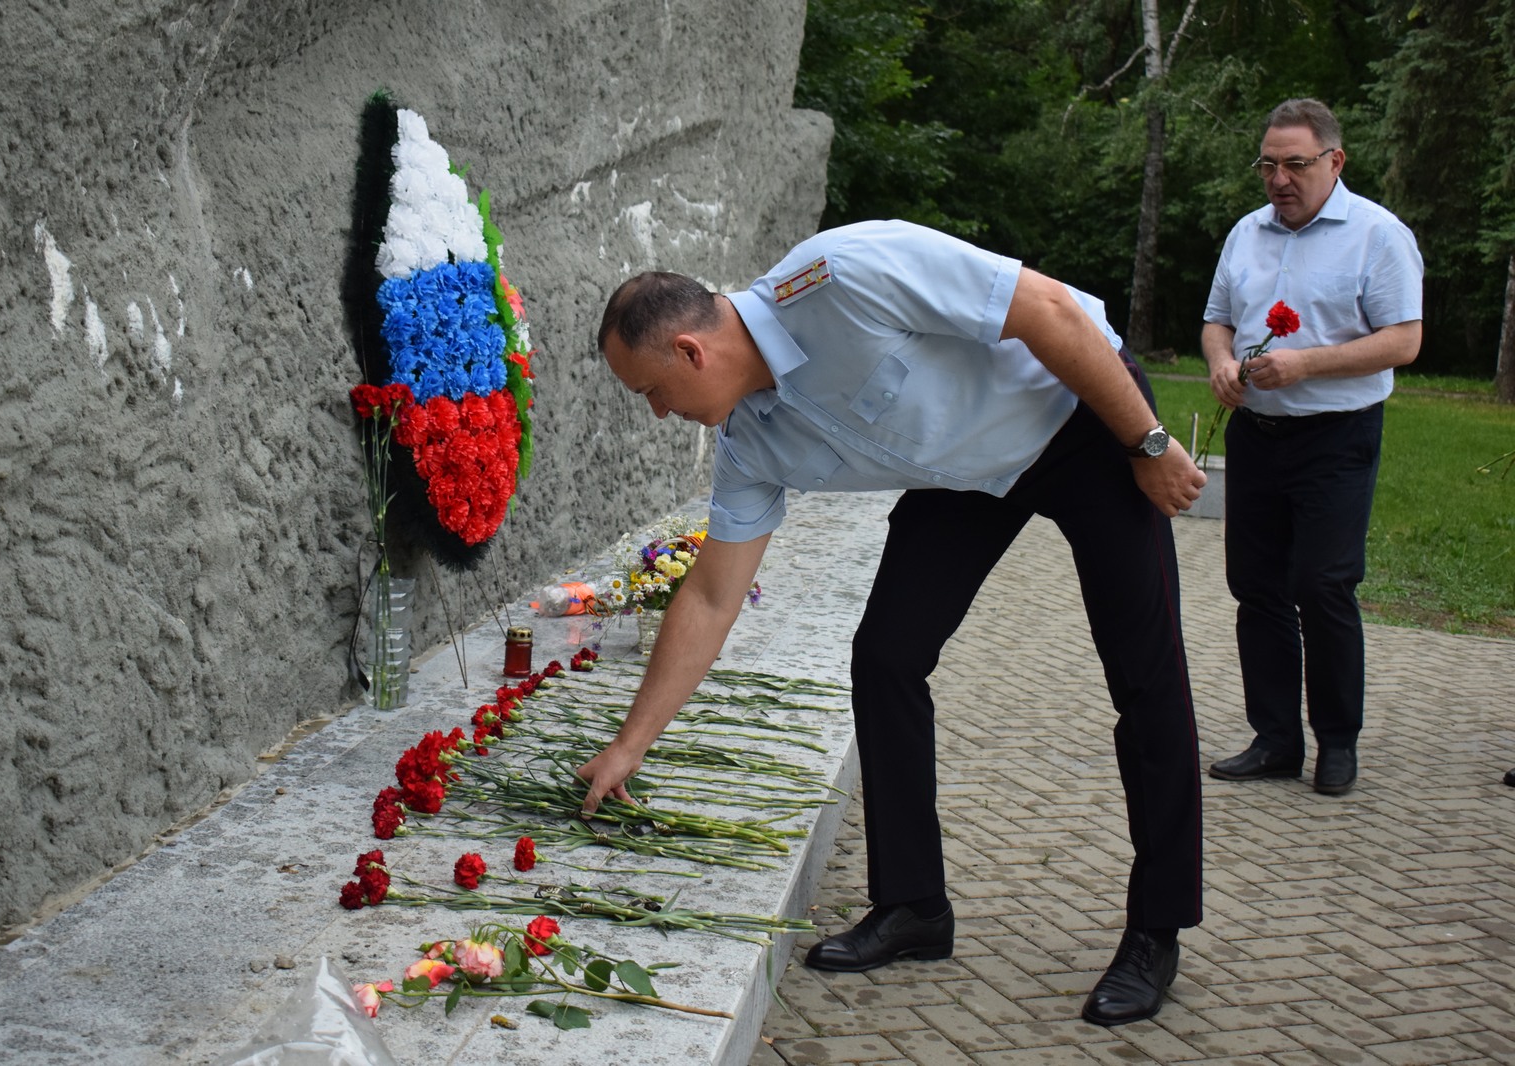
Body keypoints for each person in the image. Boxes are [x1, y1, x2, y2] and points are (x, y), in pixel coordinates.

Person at [576, 219, 1207, 1026]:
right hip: (968, 476)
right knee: (886, 657)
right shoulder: (747, 440)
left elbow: (1048, 311)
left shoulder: (842, 274)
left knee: (1145, 673)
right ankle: (914, 908)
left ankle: (1156, 930)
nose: (660, 414)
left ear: (692, 353)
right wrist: (628, 746)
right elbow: (708, 597)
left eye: (652, 393)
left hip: (1082, 417)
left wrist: (1146, 442)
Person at [1202, 99, 1423, 798]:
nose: (1278, 178)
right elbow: (1217, 321)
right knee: (1257, 589)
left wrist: (1305, 363)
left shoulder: (1377, 236)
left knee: (1322, 586)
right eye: (1268, 164)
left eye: (1295, 164)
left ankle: (1338, 742)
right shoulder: (1246, 233)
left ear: (1335, 160)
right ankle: (1274, 741)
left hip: (1337, 436)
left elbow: (1403, 341)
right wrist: (1218, 364)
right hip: (1258, 437)